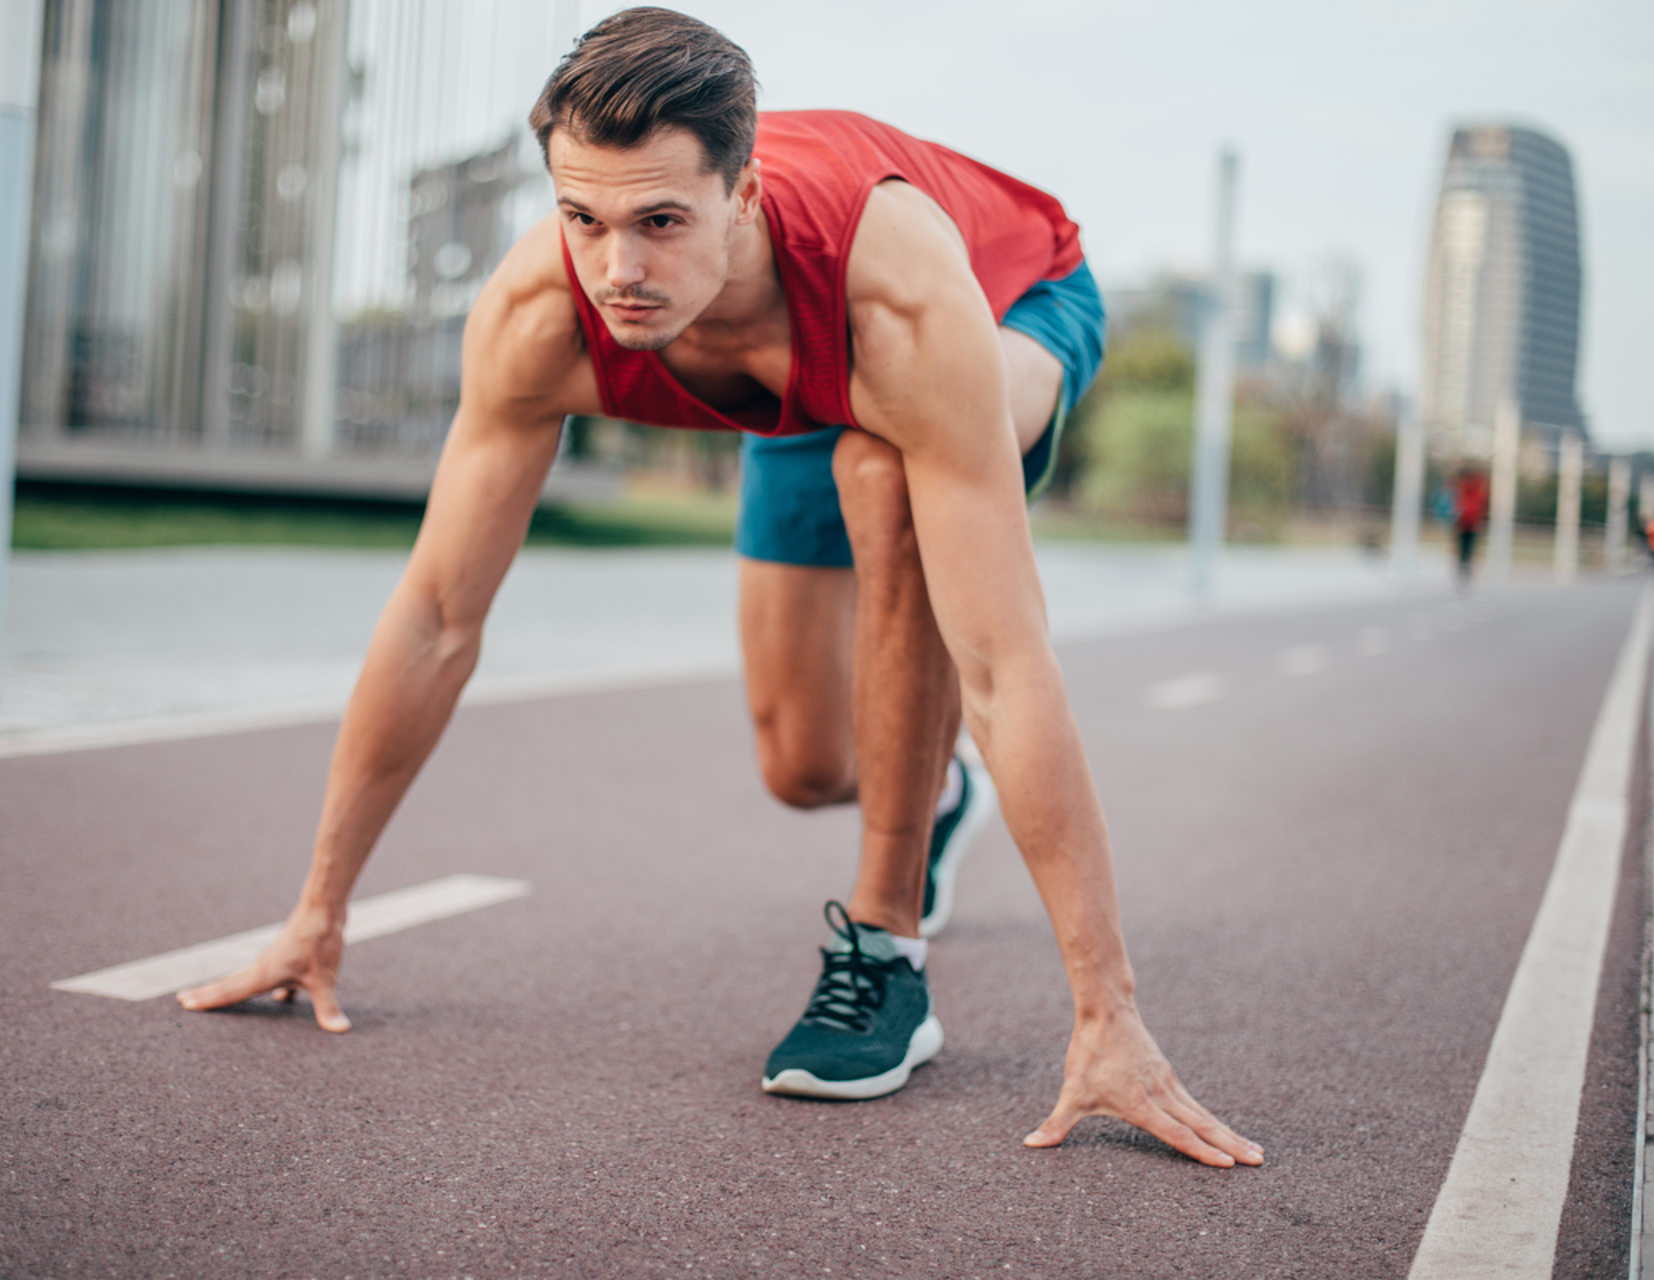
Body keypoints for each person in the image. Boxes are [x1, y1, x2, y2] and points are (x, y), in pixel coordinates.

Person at [180, 7, 1262, 1169]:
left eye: (660, 222)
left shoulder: (898, 302)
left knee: (880, 469)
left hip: (1001, 309)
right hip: (791, 364)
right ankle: (931, 790)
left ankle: (885, 954)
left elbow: (1002, 663)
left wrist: (1109, 1012)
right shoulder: (545, 313)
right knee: (803, 766)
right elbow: (438, 616)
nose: (618, 270)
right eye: (583, 219)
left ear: (741, 199)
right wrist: (317, 906)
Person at [1448, 466, 1489, 587]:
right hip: (1465, 522)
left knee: (1466, 547)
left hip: (1470, 523)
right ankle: (1463, 565)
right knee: (1465, 547)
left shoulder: (1471, 489)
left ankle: (1464, 565)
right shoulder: (1466, 489)